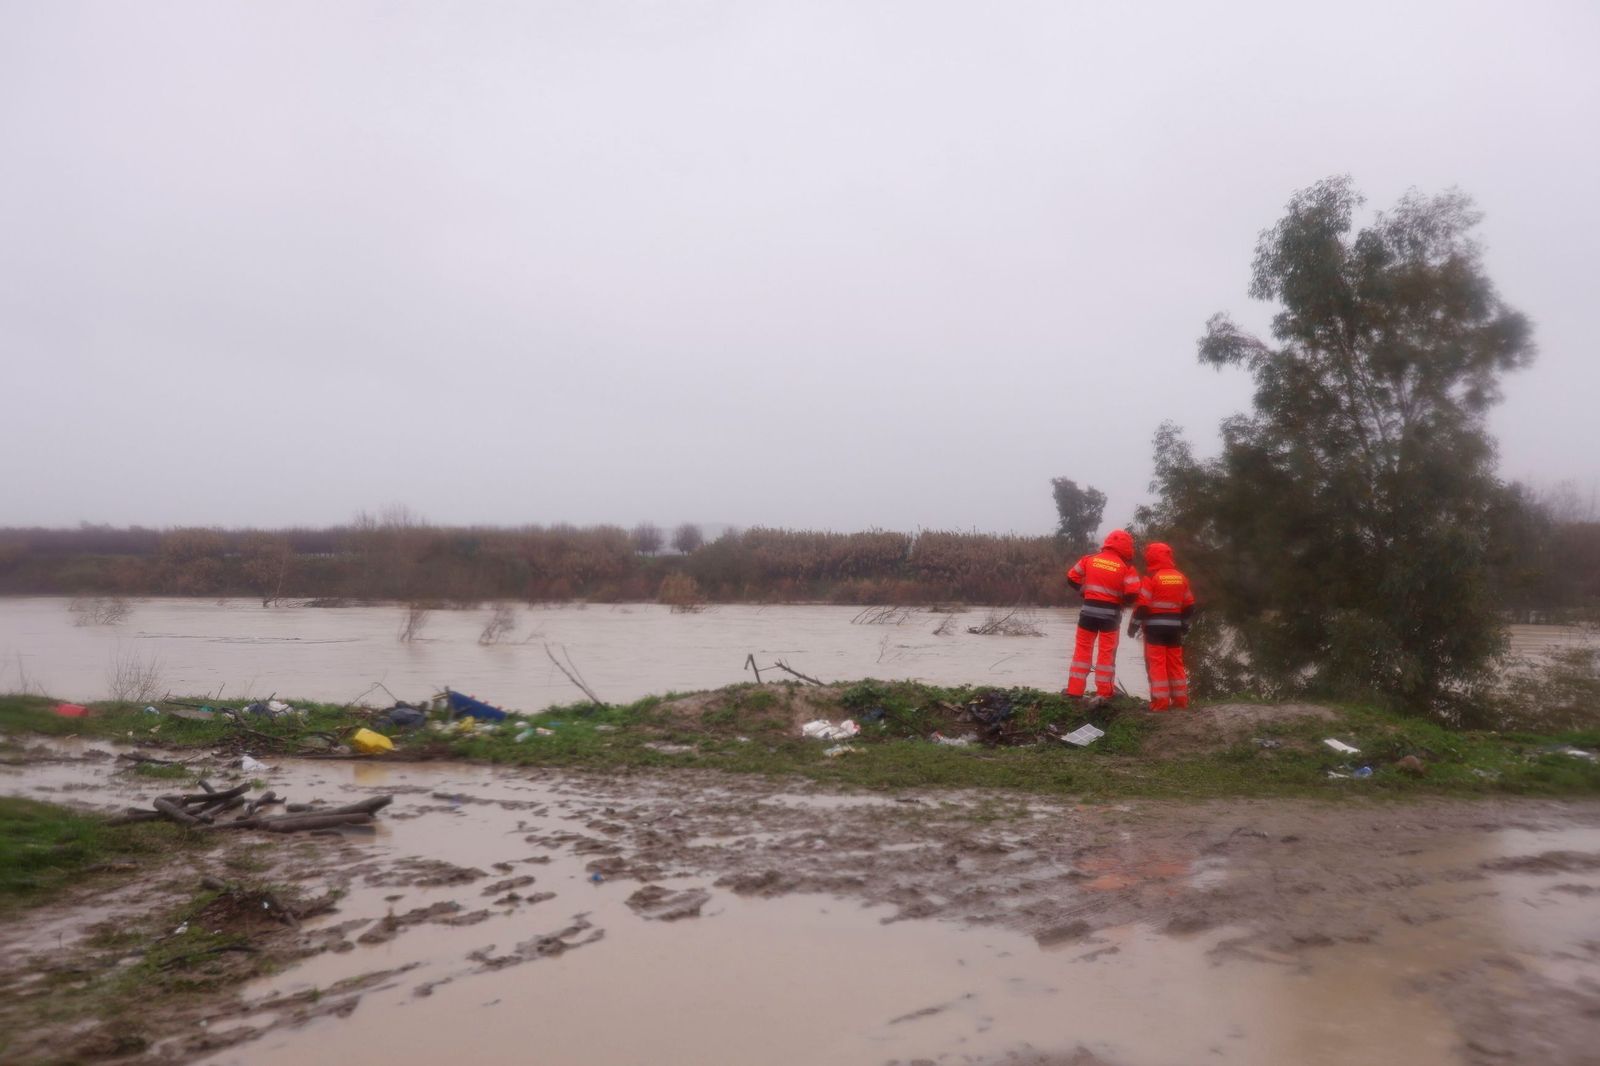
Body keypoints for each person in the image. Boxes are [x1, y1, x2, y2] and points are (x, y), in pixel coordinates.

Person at [1064, 529, 1142, 702]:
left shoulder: (1089, 559)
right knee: (1106, 654)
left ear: (1107, 543)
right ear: (1126, 547)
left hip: (1088, 613)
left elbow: (1071, 577)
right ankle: (1104, 693)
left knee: (1082, 651)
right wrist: (1121, 600)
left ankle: (1074, 691)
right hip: (1111, 617)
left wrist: (1082, 589)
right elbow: (1132, 594)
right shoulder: (1127, 568)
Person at [1128, 542, 1197, 711]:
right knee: (1176, 664)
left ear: (1150, 558)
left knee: (1157, 665)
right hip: (1174, 629)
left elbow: (1142, 607)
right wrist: (1184, 625)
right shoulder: (1181, 577)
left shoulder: (1151, 578)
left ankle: (1160, 703)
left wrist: (1133, 627)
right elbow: (1189, 607)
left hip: (1154, 630)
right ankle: (1181, 702)